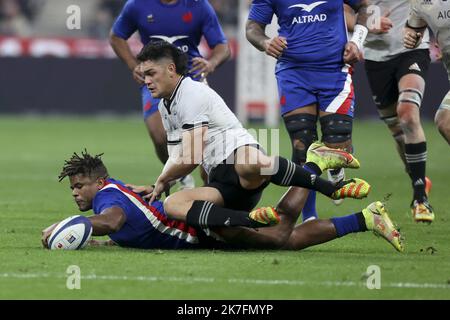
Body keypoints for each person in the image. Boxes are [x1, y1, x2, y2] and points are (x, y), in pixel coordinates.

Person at [137, 41, 371, 232]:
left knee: (252, 162)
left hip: (241, 159)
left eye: (150, 73)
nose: (146, 81)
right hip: (220, 183)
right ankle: (251, 220)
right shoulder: (164, 107)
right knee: (172, 204)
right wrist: (161, 181)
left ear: (170, 69)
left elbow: (191, 156)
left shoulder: (192, 93)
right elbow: (176, 154)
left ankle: (331, 188)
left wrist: (162, 180)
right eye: (144, 75)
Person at [41, 150, 403, 253]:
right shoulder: (114, 188)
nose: (75, 193)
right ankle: (366, 218)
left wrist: (73, 228)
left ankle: (313, 162)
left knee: (279, 235)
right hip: (201, 222)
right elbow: (126, 223)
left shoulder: (107, 201)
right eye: (72, 188)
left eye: (79, 186)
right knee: (287, 239)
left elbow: (115, 220)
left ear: (99, 183)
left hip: (203, 228)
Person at [244, 0, 372, 224]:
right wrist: (265, 43)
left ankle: (336, 164)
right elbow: (252, 28)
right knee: (302, 146)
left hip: (335, 71)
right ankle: (309, 215)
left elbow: (364, 6)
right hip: (293, 72)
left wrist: (357, 41)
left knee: (339, 146)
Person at [109, 0, 231, 188]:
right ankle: (180, 176)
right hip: (156, 77)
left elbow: (223, 47)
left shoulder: (198, 6)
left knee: (206, 144)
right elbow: (116, 36)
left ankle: (210, 189)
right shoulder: (137, 5)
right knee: (158, 135)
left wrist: (211, 63)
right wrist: (134, 66)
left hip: (191, 77)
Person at [347, 1, 434, 223]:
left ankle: (420, 199)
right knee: (397, 130)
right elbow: (343, 13)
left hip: (412, 50)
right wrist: (367, 25)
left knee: (407, 113)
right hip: (376, 59)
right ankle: (418, 176)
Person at [404, 0, 450, 146]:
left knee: (445, 120)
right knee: (445, 122)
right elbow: (413, 30)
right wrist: (410, 37)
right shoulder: (419, 3)